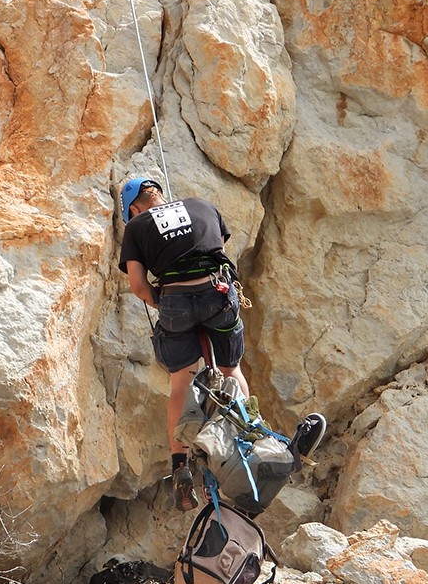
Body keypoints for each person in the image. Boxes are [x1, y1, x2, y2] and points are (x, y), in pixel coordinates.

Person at [118, 176, 327, 511]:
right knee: (231, 370)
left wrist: (168, 303)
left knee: (180, 383)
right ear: (158, 193)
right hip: (217, 294)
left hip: (174, 302)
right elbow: (220, 253)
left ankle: (180, 467)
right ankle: (250, 439)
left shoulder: (137, 226)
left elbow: (139, 286)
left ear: (134, 207)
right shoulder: (200, 204)